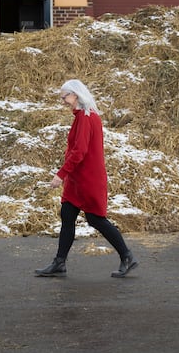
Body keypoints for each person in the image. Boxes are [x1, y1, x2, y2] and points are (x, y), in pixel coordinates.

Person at [35, 79, 138, 278]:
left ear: (76, 95)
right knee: (67, 215)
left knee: (95, 219)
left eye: (65, 97)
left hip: (87, 178)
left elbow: (79, 151)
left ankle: (127, 256)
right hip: (80, 178)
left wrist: (60, 174)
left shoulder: (85, 117)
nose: (63, 101)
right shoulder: (88, 116)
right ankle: (59, 262)